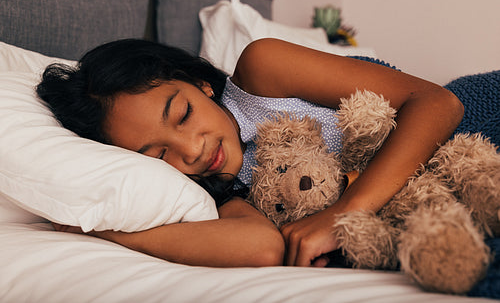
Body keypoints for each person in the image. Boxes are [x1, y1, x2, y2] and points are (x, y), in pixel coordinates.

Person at [37, 38, 464, 268]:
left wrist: (345, 212)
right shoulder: (218, 196)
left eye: (183, 114)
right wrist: (104, 230)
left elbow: (439, 103)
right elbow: (261, 248)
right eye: (157, 154)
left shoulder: (262, 72)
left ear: (199, 83)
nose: (193, 150)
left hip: (463, 139)